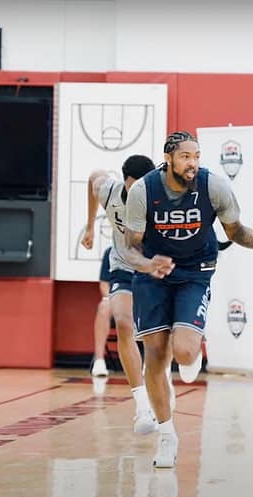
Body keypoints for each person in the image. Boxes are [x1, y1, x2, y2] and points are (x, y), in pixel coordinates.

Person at [123, 131, 253, 467]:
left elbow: (238, 233)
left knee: (184, 351)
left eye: (197, 156)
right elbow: (130, 246)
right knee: (156, 356)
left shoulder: (213, 186)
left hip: (195, 271)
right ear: (169, 157)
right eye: (186, 157)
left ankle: (192, 343)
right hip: (153, 274)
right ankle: (167, 434)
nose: (193, 163)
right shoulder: (144, 190)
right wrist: (148, 264)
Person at [82, 155, 160, 434]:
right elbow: (93, 177)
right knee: (124, 322)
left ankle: (168, 379)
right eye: (134, 187)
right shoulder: (110, 190)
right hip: (123, 266)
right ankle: (141, 406)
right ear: (125, 182)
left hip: (153, 267)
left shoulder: (159, 198)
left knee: (160, 336)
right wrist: (90, 224)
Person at [91, 246, 114, 378]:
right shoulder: (110, 252)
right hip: (119, 298)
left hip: (140, 299)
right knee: (104, 307)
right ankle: (99, 361)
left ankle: (151, 364)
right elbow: (104, 285)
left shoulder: (147, 250)